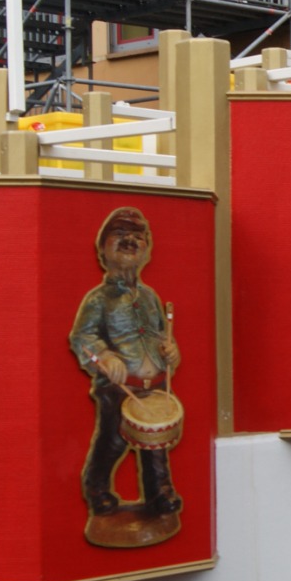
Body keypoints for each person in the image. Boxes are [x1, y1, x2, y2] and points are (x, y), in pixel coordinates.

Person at [69, 208, 182, 533]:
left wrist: (171, 352)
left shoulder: (150, 297)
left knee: (155, 444)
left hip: (153, 386)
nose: (130, 240)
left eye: (138, 236)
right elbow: (81, 338)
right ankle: (97, 488)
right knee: (113, 442)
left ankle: (159, 494)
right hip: (117, 390)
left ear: (147, 249)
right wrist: (104, 357)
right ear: (103, 248)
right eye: (120, 235)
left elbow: (160, 334)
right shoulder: (98, 299)